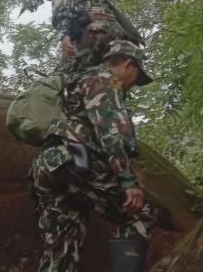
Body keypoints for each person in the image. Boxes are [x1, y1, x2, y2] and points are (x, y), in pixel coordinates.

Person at [31, 40, 157, 272]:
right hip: (76, 163)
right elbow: (110, 132)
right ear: (129, 64)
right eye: (137, 78)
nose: (133, 85)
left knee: (62, 247)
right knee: (141, 211)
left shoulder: (77, 79)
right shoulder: (107, 80)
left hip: (50, 167)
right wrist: (128, 182)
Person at [45, 0, 142, 74]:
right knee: (106, 77)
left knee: (61, 79)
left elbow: (62, 9)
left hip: (93, 31)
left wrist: (64, 34)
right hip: (117, 34)